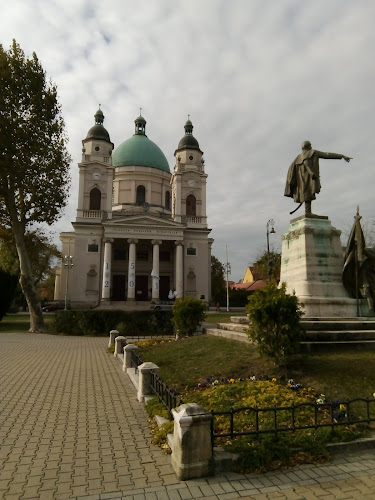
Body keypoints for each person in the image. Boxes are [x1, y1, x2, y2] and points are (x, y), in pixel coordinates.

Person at [284, 141, 351, 215]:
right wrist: (342, 156)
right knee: (308, 194)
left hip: (301, 181)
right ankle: (308, 212)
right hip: (310, 178)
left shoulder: (298, 158)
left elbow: (291, 171)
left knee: (307, 195)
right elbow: (327, 155)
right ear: (309, 146)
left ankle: (308, 212)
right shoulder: (314, 153)